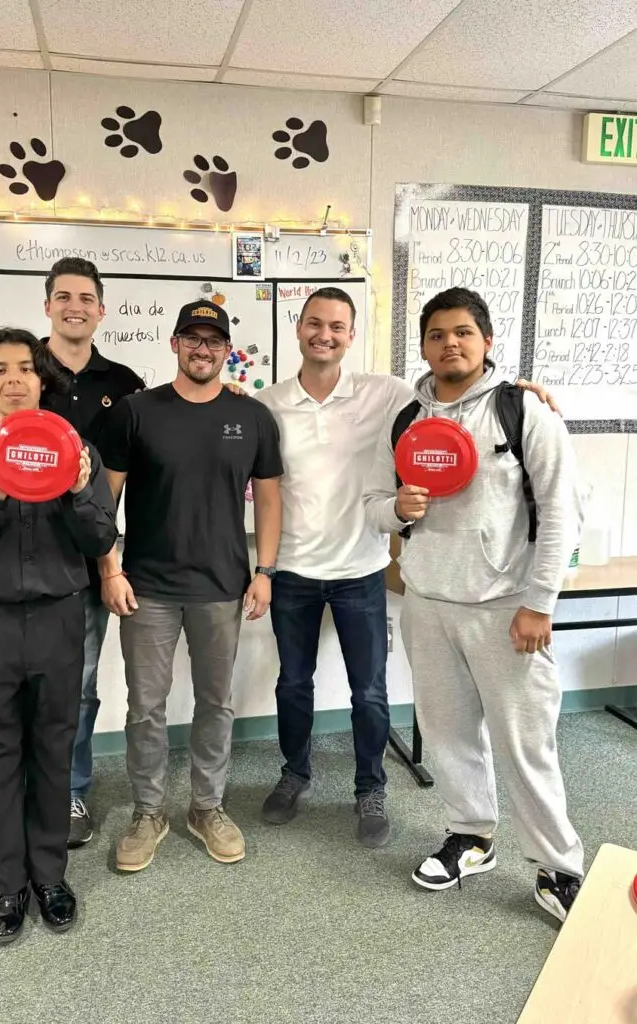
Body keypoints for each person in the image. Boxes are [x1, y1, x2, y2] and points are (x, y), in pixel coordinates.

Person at [255, 287, 560, 849]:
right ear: (298, 328)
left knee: (369, 692)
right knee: (292, 684)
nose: (325, 334)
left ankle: (370, 787)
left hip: (363, 569)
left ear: (351, 335)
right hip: (293, 569)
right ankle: (294, 773)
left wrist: (526, 389)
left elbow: (461, 392)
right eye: (315, 323)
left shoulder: (389, 394)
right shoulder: (267, 403)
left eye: (338, 326)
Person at [363, 287, 584, 922]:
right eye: (436, 335)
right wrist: (394, 509)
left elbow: (561, 511)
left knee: (525, 741)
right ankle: (471, 834)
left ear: (486, 341)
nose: (449, 344)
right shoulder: (406, 418)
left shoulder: (523, 412)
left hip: (505, 607)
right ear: (425, 346)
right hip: (428, 601)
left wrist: (539, 602)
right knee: (447, 731)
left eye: (462, 332)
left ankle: (558, 866)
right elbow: (374, 503)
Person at [0, 257, 146, 853]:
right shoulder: (19, 367)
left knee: (76, 689)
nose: (75, 306)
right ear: (48, 306)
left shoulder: (125, 383)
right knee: (10, 697)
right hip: (15, 560)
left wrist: (110, 564)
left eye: (86, 297)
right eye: (64, 296)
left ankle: (69, 793)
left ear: (101, 309)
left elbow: (134, 472)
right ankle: (9, 808)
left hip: (89, 547)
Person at [0, 328, 118, 943]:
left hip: (60, 620)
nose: (13, 380)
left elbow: (99, 540)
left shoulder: (76, 450)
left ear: (43, 380)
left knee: (53, 751)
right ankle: (8, 888)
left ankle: (50, 879)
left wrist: (72, 491)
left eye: (25, 369)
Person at [96, 300, 283, 871]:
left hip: (222, 586)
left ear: (228, 350)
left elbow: (271, 497)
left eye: (214, 340)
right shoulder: (135, 411)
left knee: (215, 703)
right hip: (146, 588)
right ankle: (149, 811)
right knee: (145, 707)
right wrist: (109, 568)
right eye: (192, 339)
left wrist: (265, 571)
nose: (203, 349)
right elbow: (105, 501)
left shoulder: (252, 417)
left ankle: (207, 806)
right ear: (174, 344)